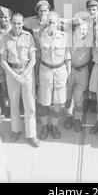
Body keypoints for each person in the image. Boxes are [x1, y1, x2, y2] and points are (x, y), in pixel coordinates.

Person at [0, 13, 39, 147]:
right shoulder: (5, 37)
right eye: (14, 23)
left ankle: (31, 134)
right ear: (11, 23)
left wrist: (23, 75)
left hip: (27, 73)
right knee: (14, 104)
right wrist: (15, 75)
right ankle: (16, 130)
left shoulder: (28, 37)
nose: (17, 26)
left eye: (19, 23)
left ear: (23, 24)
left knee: (30, 105)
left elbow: (33, 59)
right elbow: (3, 60)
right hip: (12, 73)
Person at [37, 12, 71, 140]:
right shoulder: (41, 36)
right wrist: (36, 76)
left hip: (60, 72)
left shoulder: (64, 37)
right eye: (49, 22)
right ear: (46, 23)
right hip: (45, 71)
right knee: (43, 103)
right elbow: (38, 57)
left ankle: (54, 125)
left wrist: (69, 74)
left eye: (54, 22)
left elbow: (68, 56)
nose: (52, 25)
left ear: (58, 23)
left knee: (58, 103)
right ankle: (45, 126)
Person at [64, 18, 91, 132]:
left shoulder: (89, 40)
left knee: (78, 98)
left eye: (85, 29)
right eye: (80, 29)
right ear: (75, 29)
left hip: (83, 71)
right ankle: (68, 117)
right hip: (70, 70)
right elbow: (67, 56)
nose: (83, 31)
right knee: (68, 96)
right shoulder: (69, 39)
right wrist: (69, 73)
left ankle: (77, 119)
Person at [84, 0, 98, 113]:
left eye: (94, 10)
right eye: (90, 10)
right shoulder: (85, 23)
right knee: (89, 79)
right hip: (88, 54)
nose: (92, 12)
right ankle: (90, 101)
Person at [0, 6, 12, 117]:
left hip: (13, 63)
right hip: (1, 63)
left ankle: (18, 107)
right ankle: (7, 108)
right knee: (4, 88)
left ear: (10, 17)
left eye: (5, 17)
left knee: (15, 87)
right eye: (1, 17)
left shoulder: (14, 28)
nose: (3, 20)